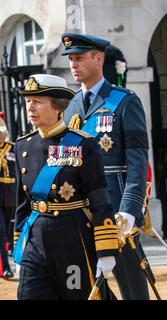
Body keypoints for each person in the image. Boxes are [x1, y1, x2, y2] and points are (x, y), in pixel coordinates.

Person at [61, 33, 150, 300]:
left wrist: (130, 211)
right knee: (83, 285)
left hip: (115, 212)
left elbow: (137, 161)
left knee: (132, 287)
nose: (73, 65)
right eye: (70, 59)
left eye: (79, 58)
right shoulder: (70, 105)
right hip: (80, 211)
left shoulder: (124, 101)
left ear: (98, 59)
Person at [13, 74, 118, 299]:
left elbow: (100, 200)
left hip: (73, 239)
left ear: (58, 106)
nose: (30, 107)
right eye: (28, 101)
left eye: (38, 101)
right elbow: (22, 204)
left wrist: (106, 250)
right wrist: (19, 247)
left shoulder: (83, 144)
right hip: (35, 241)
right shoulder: (23, 146)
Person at [0, 114, 15, 279]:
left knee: (9, 232)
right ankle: (5, 268)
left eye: (2, 130)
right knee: (1, 231)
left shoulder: (12, 147)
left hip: (10, 195)